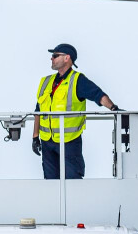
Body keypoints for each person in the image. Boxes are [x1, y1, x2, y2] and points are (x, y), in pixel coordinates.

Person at [31, 43, 118, 179]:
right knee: (50, 182)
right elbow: (38, 111)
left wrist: (114, 109)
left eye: (55, 55)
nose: (51, 59)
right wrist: (35, 136)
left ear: (67, 58)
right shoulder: (46, 81)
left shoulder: (77, 80)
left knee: (73, 182)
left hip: (69, 142)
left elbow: (98, 95)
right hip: (47, 142)